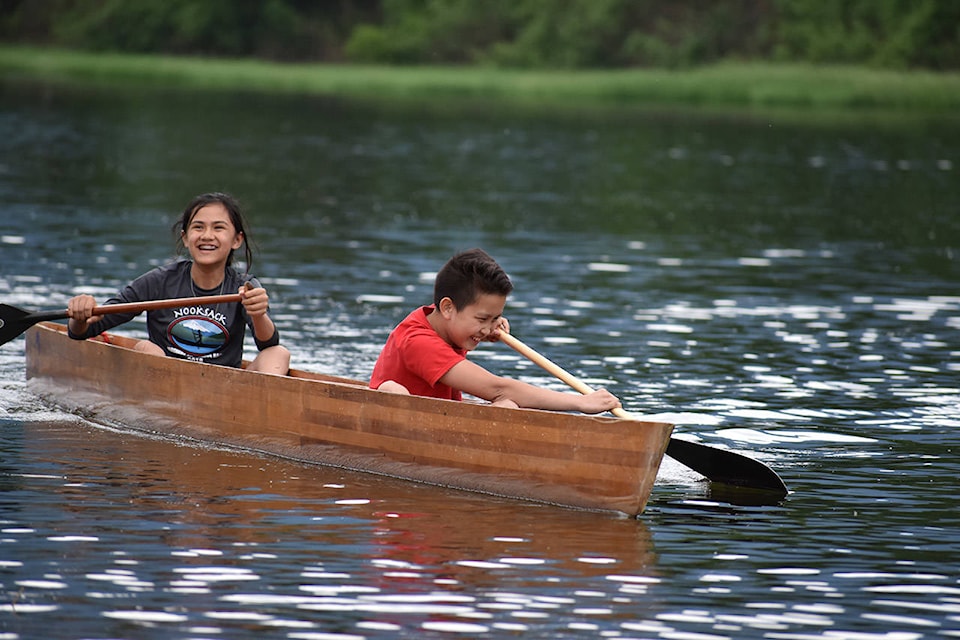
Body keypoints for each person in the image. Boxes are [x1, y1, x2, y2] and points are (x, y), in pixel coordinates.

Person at [369, 248, 621, 413]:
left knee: (507, 406)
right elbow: (498, 388)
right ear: (447, 308)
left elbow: (461, 326)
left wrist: (481, 327)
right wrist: (580, 402)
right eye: (483, 318)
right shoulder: (418, 342)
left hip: (436, 417)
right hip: (405, 425)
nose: (491, 327)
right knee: (392, 390)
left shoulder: (443, 324)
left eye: (496, 318)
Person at [66, 192, 290, 375]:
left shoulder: (247, 287)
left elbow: (267, 343)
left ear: (236, 240)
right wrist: (80, 317)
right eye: (198, 227)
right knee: (146, 348)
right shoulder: (159, 281)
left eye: (218, 228)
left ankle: (261, 410)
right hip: (164, 384)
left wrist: (259, 314)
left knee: (278, 353)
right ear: (185, 237)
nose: (207, 236)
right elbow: (86, 330)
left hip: (224, 390)